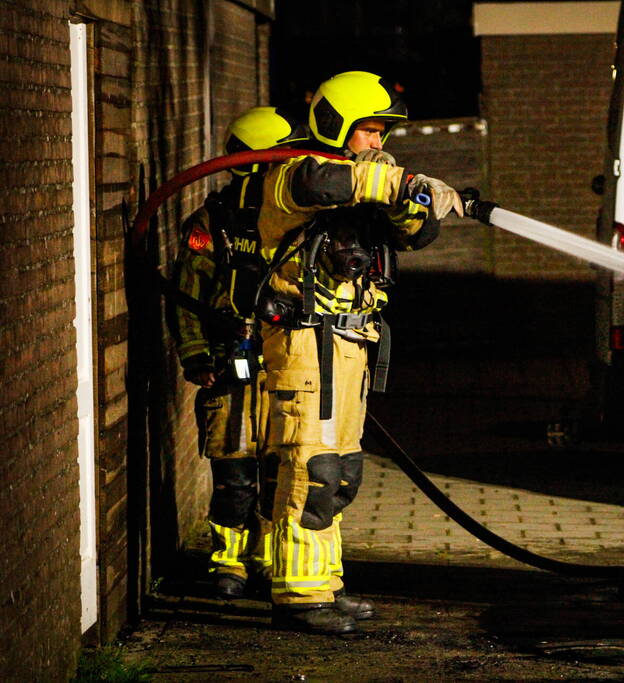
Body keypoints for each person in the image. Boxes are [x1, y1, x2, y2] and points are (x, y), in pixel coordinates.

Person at [256, 71, 463, 634]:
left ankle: (324, 583)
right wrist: (399, 183)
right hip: (306, 341)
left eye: (382, 133)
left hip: (352, 344)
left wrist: (414, 198)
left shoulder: (373, 185)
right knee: (311, 466)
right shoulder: (290, 173)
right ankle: (298, 597)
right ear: (335, 124)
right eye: (368, 131)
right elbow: (324, 184)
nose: (379, 143)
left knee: (342, 471)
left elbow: (417, 234)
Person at [172, 105, 308, 600]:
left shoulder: (303, 223)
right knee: (233, 477)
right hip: (228, 366)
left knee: (281, 474)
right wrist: (196, 357)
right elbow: (187, 292)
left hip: (289, 363)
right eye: (282, 163)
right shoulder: (213, 222)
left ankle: (269, 561)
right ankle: (227, 563)